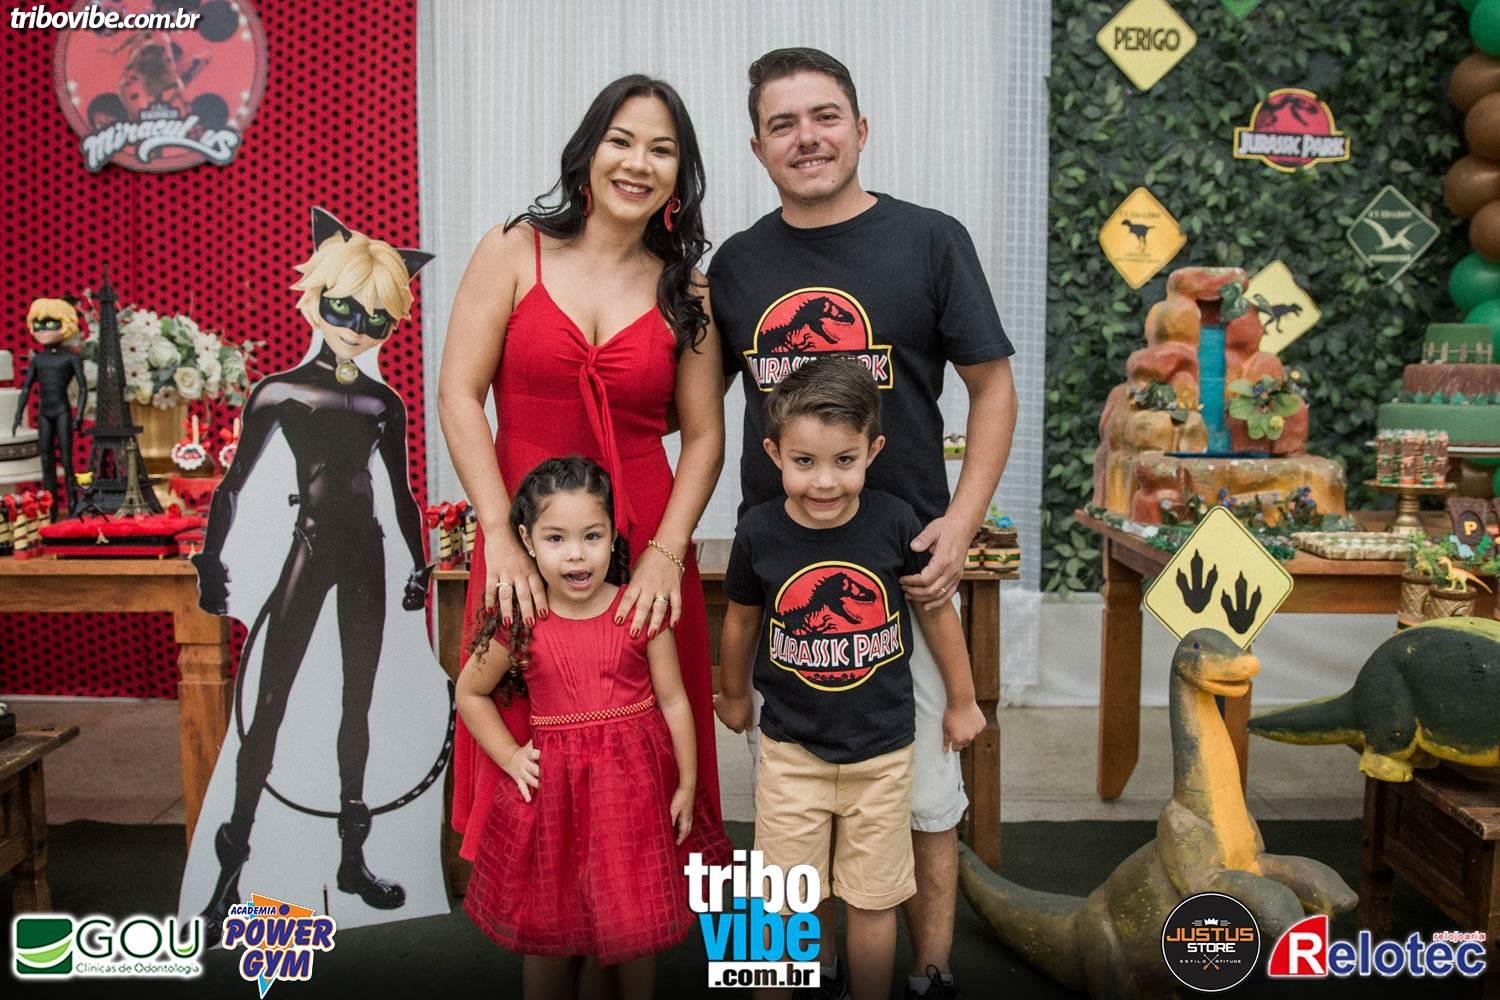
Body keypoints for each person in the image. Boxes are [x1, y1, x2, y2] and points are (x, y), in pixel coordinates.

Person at [710, 48, 1018, 1000]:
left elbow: (993, 386)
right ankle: (795, 977)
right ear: (757, 147)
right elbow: (692, 415)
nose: (806, 137)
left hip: (908, 571)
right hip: (786, 579)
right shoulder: (736, 266)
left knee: (922, 801)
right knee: (793, 819)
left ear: (861, 128)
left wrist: (961, 523)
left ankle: (928, 974)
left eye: (825, 116)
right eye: (783, 124)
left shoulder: (930, 240)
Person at [439, 75, 731, 865]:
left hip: (644, 540)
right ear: (587, 154)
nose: (638, 163)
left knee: (645, 725)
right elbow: (459, 395)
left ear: (680, 176)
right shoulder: (512, 250)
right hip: (526, 536)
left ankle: (638, 903)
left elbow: (706, 437)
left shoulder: (687, 288)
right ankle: (542, 908)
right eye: (621, 141)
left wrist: (667, 553)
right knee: (528, 720)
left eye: (662, 150)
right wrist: (500, 535)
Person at [186, 207, 450, 938]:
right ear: (314, 300)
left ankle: (352, 860)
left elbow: (400, 494)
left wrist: (419, 565)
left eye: (375, 317)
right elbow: (233, 485)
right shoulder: (279, 391)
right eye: (344, 309)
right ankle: (231, 874)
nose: (358, 328)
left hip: (367, 550)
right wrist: (211, 561)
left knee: (358, 705)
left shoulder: (382, 401)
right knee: (269, 703)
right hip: (310, 547)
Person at [714, 360, 985, 1000]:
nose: (824, 481)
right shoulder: (757, 531)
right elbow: (740, 620)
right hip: (791, 755)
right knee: (783, 897)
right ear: (774, 454)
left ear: (873, 451)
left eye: (844, 460)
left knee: (873, 899)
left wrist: (963, 700)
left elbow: (936, 614)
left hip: (883, 758)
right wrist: (732, 693)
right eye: (804, 461)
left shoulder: (897, 522)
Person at [459, 457, 699, 999]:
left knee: (635, 920)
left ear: (613, 534)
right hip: (556, 803)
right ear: (526, 539)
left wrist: (686, 783)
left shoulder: (641, 609)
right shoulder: (521, 620)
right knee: (550, 926)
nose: (576, 554)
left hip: (633, 799)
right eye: (556, 538)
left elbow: (674, 700)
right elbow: (470, 693)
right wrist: (510, 756)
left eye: (592, 536)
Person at [14, 298, 87, 514]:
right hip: (44, 413)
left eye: (50, 324)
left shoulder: (71, 357)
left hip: (62, 411)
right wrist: (18, 414)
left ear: (65, 324)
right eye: (38, 324)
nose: (43, 330)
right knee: (46, 460)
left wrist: (79, 415)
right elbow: (26, 388)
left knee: (66, 459)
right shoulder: (38, 359)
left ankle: (73, 504)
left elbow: (83, 388)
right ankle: (50, 506)